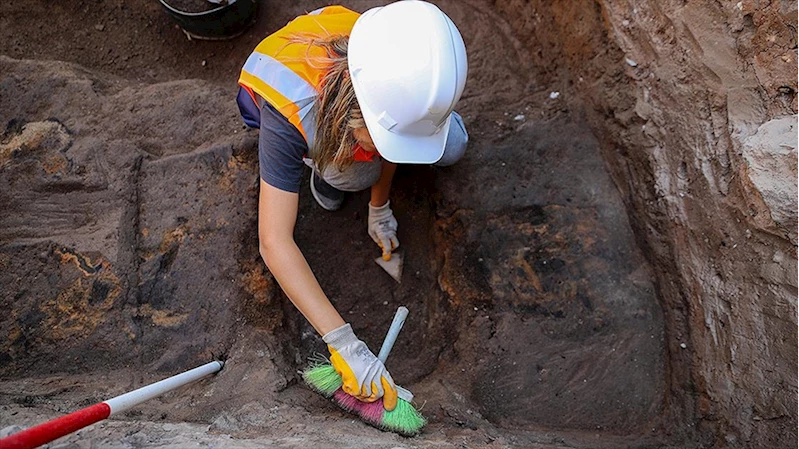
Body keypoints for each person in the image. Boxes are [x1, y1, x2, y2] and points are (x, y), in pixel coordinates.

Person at [236, 0, 468, 412]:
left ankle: (369, 161)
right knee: (355, 173)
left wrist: (379, 208)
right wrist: (343, 342)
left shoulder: (396, 63)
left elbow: (393, 139)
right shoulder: (288, 115)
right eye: (377, 137)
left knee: (451, 145)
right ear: (350, 112)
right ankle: (321, 168)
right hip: (297, 103)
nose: (384, 150)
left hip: (368, 109)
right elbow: (273, 241)